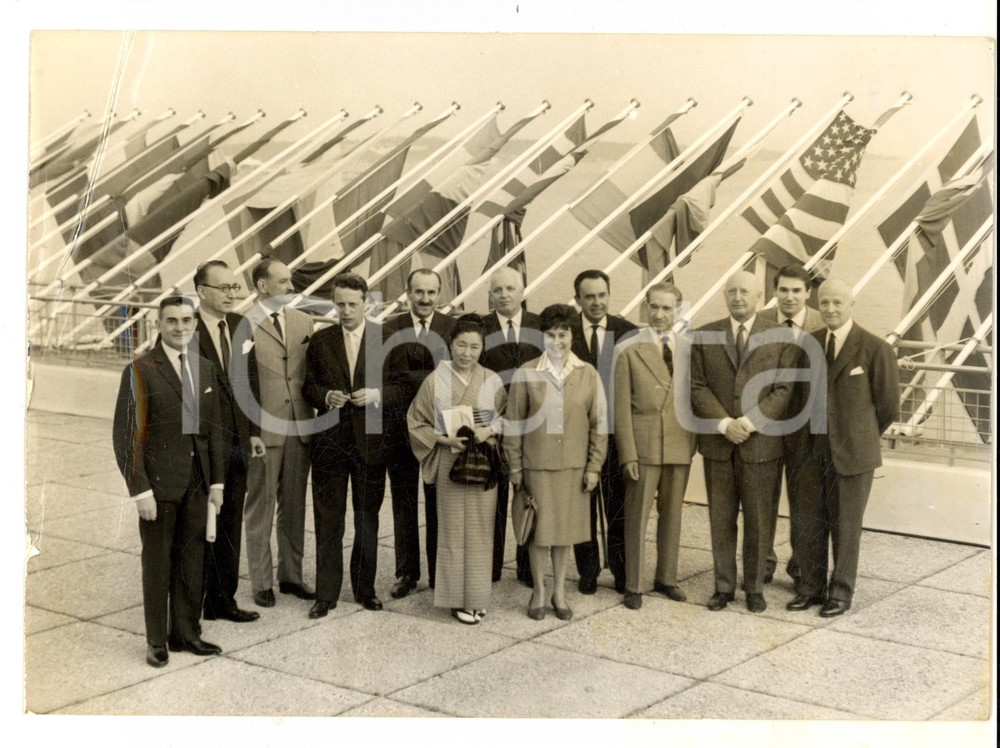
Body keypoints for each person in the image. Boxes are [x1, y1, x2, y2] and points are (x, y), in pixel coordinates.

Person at [112, 296, 225, 667]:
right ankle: (156, 640)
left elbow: (214, 433)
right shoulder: (141, 369)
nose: (181, 328)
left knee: (192, 561)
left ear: (195, 324)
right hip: (158, 486)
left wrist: (217, 484)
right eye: (172, 321)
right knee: (158, 562)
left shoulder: (205, 368)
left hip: (197, 482)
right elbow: (126, 436)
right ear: (159, 324)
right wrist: (139, 488)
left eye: (187, 321)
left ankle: (187, 634)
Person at [788, 278, 899, 617]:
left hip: (853, 453)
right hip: (811, 450)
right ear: (818, 306)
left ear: (852, 304)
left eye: (838, 302)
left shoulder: (875, 348)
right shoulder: (809, 343)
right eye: (825, 303)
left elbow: (889, 407)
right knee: (810, 521)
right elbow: (799, 397)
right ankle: (810, 588)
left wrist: (857, 434)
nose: (831, 309)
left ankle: (840, 593)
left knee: (846, 525)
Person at [689, 270, 794, 613]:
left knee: (759, 519)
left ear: (760, 297)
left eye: (745, 292)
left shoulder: (781, 336)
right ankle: (723, 587)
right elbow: (697, 386)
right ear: (724, 295)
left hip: (760, 445)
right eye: (731, 291)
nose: (738, 297)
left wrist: (747, 423)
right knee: (720, 517)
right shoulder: (705, 336)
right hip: (719, 444)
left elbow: (783, 389)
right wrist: (724, 424)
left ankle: (754, 588)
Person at [505, 304, 608, 621]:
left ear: (572, 335)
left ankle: (559, 591)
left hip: (574, 470)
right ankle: (538, 590)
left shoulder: (587, 373)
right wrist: (515, 467)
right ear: (542, 337)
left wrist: (594, 467)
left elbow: (599, 424)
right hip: (537, 468)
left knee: (564, 535)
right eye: (550, 334)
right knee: (539, 534)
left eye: (563, 334)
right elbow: (513, 425)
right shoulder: (526, 373)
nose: (557, 341)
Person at [303, 273, 395, 616]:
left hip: (371, 442)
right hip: (330, 442)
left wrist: (378, 395)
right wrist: (325, 395)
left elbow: (401, 386)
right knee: (329, 520)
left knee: (367, 519)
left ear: (366, 303)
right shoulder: (321, 339)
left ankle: (364, 589)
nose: (345, 311)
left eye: (352, 304)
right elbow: (307, 386)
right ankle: (325, 594)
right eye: (339, 304)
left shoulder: (383, 338)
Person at [407, 314, 507, 624]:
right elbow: (416, 422)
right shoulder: (435, 380)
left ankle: (476, 596)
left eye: (474, 347)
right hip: (450, 457)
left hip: (482, 460)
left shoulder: (492, 379)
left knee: (480, 530)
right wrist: (443, 439)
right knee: (451, 530)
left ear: (482, 347)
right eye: (461, 345)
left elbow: (506, 416)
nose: (467, 353)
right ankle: (455, 599)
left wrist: (487, 431)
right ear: (450, 345)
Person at [614, 283, 696, 610]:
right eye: (654, 307)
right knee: (637, 516)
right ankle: (633, 584)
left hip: (679, 443)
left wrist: (693, 443)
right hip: (644, 444)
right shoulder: (630, 350)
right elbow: (621, 407)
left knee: (673, 515)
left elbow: (695, 399)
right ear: (646, 308)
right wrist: (628, 453)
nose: (660, 315)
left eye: (667, 308)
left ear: (678, 311)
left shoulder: (690, 348)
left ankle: (667, 577)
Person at [241, 259, 315, 608]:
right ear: (262, 286)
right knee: (261, 507)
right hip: (264, 431)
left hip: (299, 427)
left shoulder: (304, 322)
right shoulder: (242, 326)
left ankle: (292, 577)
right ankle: (261, 581)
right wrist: (250, 430)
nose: (290, 287)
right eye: (283, 281)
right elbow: (240, 384)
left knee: (294, 506)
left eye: (291, 281)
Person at [193, 261, 262, 624]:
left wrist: (254, 432)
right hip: (203, 444)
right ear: (202, 292)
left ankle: (223, 600)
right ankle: (194, 599)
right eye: (223, 288)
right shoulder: (184, 328)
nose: (231, 294)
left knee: (231, 520)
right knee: (199, 523)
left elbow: (250, 379)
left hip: (237, 440)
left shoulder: (240, 325)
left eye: (234, 287)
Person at [383, 268, 455, 598]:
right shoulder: (389, 328)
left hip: (439, 432)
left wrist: (408, 380)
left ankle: (440, 572)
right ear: (407, 293)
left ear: (439, 294)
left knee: (438, 503)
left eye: (431, 292)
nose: (425, 299)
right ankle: (406, 572)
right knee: (404, 502)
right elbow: (385, 380)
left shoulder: (450, 329)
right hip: (399, 432)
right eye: (419, 292)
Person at [570, 269, 636, 595]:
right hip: (577, 437)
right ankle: (588, 570)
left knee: (618, 507)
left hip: (614, 436)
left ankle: (622, 571)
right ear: (578, 299)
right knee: (582, 507)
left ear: (609, 295)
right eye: (589, 297)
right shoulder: (565, 333)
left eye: (601, 295)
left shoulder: (628, 331)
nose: (596, 303)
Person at [757, 263, 824, 584]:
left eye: (797, 290)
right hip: (766, 428)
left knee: (803, 503)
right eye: (783, 289)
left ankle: (800, 568)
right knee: (763, 501)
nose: (789, 297)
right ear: (774, 291)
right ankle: (762, 565)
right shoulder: (760, 323)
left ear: (808, 293)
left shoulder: (823, 324)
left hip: (805, 430)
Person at [479, 266, 543, 587]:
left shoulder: (538, 325)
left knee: (526, 495)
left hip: (530, 427)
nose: (503, 294)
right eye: (497, 290)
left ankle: (526, 566)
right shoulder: (481, 326)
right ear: (490, 295)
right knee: (494, 498)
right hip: (494, 425)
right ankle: (490, 565)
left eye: (510, 289)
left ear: (522, 292)